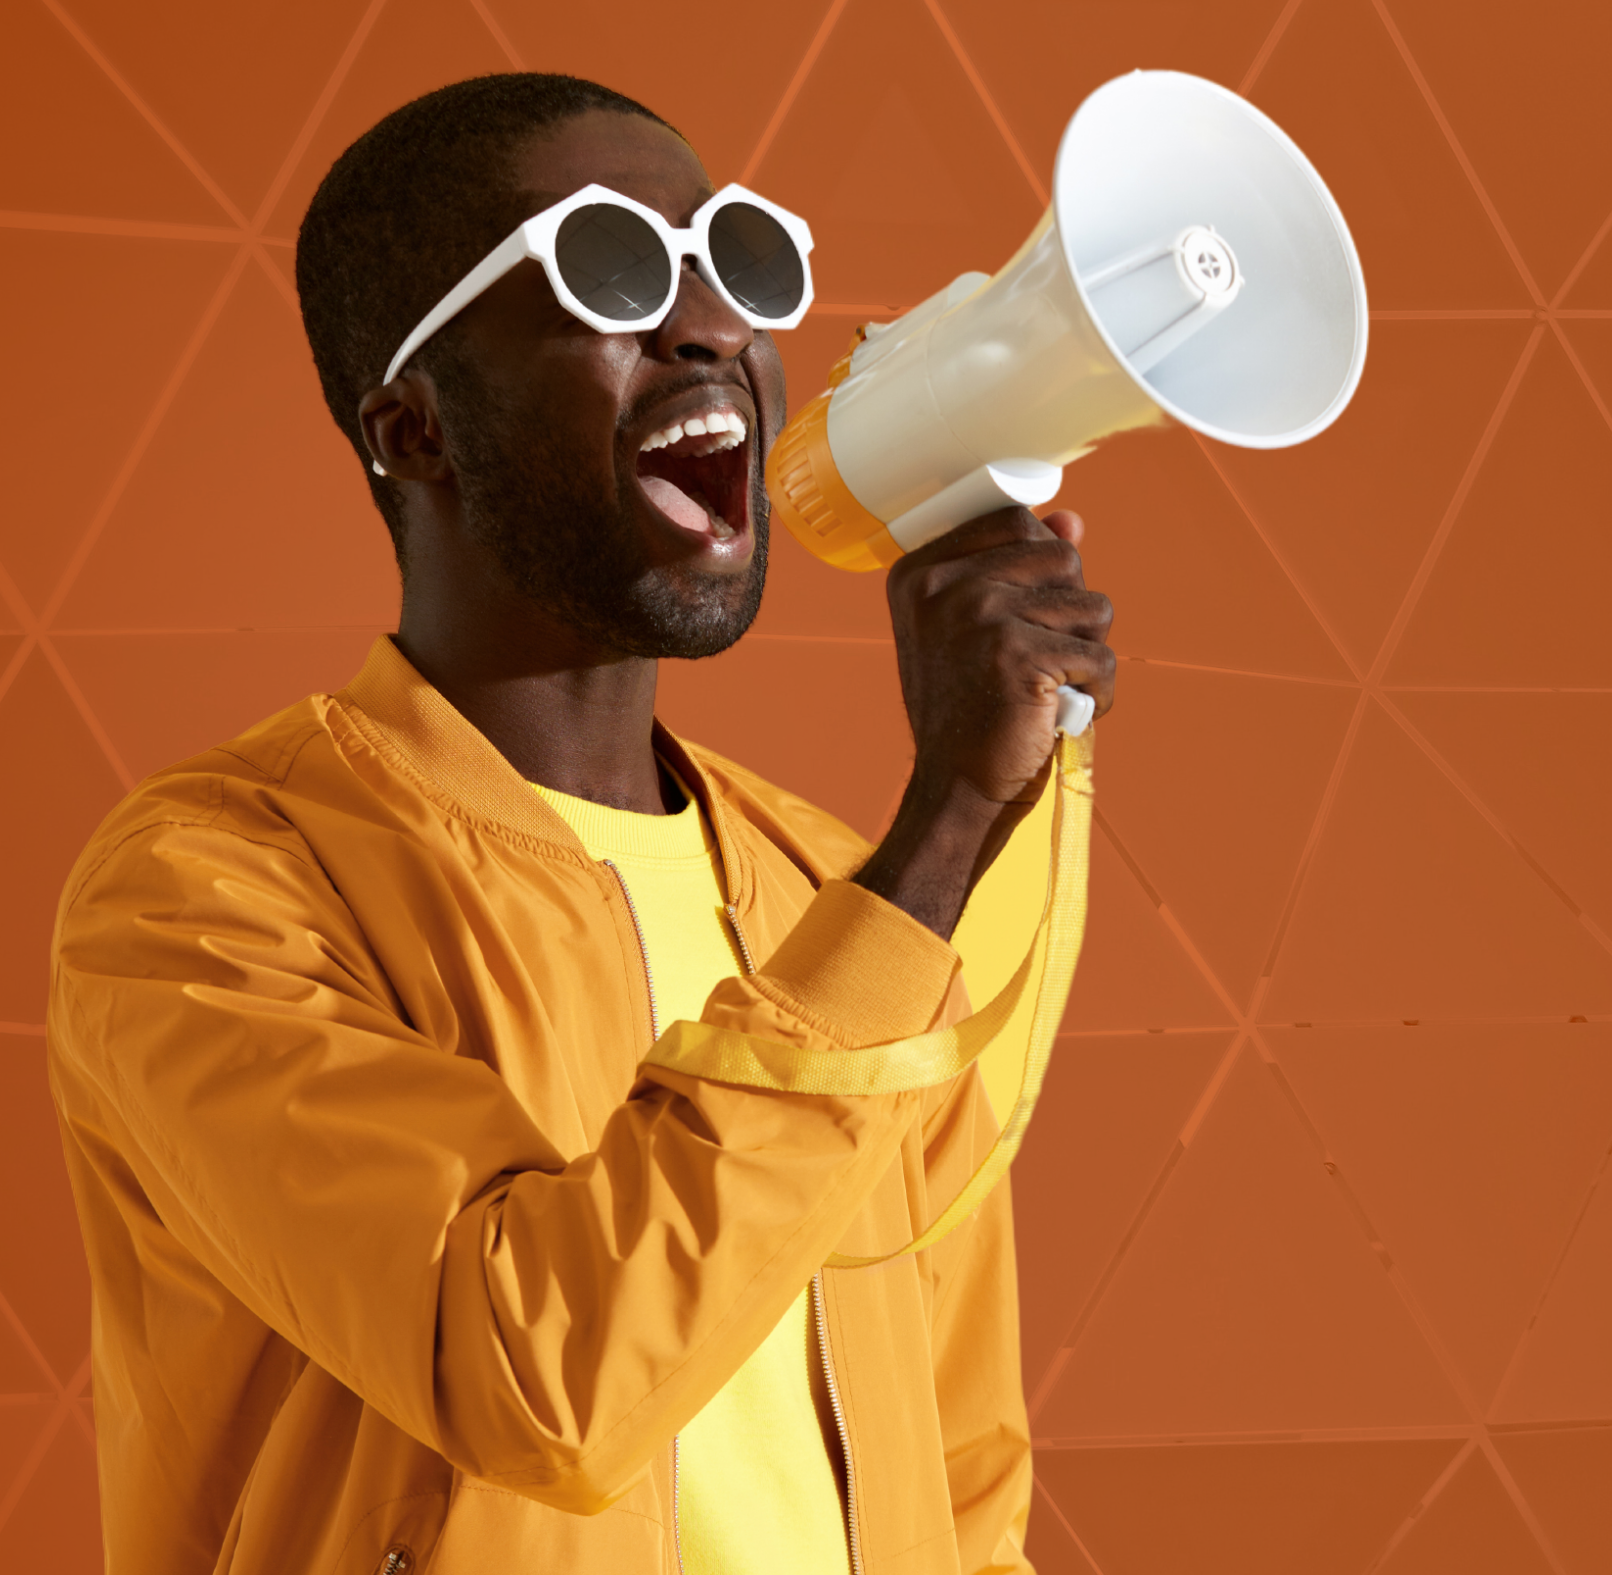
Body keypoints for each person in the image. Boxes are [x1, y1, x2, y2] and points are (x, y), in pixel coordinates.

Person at [43, 73, 1112, 1575]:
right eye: (607, 267)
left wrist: (954, 836)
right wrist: (939, 835)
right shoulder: (205, 892)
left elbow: (965, 1461)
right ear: (413, 427)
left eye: (738, 259)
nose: (712, 327)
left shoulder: (827, 891)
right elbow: (534, 1374)